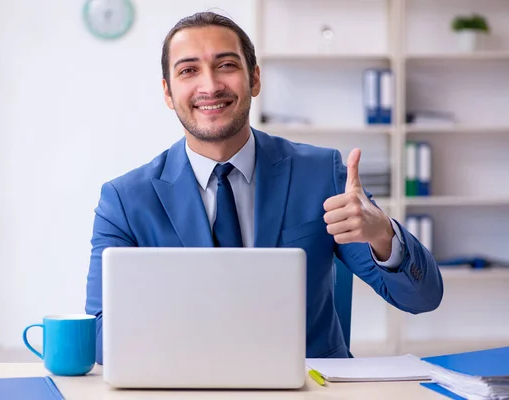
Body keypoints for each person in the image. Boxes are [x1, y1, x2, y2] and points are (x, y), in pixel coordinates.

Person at [85, 11, 443, 365]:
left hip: (307, 388)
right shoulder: (125, 201)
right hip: (188, 386)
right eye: (188, 70)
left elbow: (422, 299)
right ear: (168, 92)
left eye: (226, 65)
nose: (209, 86)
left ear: (254, 79)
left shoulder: (321, 174)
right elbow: (100, 339)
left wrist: (382, 232)